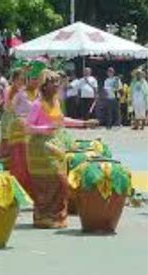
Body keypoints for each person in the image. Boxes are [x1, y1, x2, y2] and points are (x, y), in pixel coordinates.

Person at [26, 70, 98, 229]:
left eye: (58, 82)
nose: (57, 86)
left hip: (56, 146)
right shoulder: (37, 104)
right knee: (47, 182)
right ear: (44, 86)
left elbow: (61, 121)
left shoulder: (56, 102)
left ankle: (55, 217)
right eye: (54, 83)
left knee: (60, 183)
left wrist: (84, 123)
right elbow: (28, 127)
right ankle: (42, 217)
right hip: (39, 147)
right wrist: (46, 128)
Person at [8, 61, 44, 198]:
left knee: (32, 160)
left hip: (34, 129)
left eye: (37, 79)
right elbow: (9, 108)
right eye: (32, 78)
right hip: (19, 128)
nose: (35, 82)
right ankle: (18, 191)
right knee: (19, 160)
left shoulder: (40, 95)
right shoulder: (20, 94)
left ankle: (31, 191)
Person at [0, 69, 25, 170]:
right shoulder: (9, 90)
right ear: (13, 80)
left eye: (22, 80)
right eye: (19, 79)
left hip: (17, 117)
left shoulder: (21, 91)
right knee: (7, 140)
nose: (21, 82)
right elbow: (9, 106)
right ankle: (6, 163)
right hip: (9, 117)